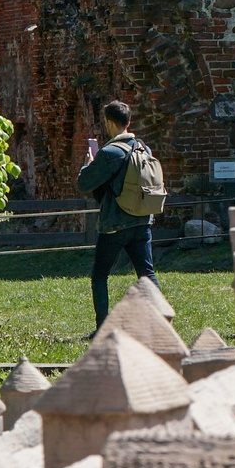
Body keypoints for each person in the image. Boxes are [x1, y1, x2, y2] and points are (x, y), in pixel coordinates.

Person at [77, 100, 162, 329]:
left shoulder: (109, 152)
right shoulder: (144, 148)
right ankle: (161, 323)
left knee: (100, 276)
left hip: (115, 223)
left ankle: (102, 328)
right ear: (129, 121)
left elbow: (84, 183)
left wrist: (88, 164)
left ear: (109, 123)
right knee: (147, 274)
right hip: (142, 220)